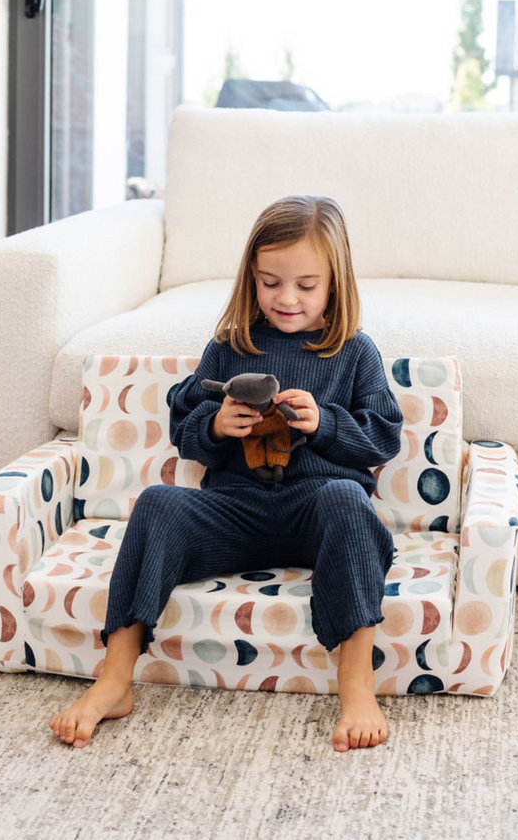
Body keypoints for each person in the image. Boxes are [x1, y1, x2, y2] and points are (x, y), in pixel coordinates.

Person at [50, 194, 403, 752]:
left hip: (316, 510)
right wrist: (218, 426)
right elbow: (186, 431)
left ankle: (356, 685)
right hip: (236, 511)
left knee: (350, 503)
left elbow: (383, 437)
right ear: (251, 278)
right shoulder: (230, 347)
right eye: (270, 283)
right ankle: (114, 679)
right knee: (159, 503)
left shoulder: (355, 353)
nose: (286, 298)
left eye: (306, 285)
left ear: (335, 282)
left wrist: (325, 422)